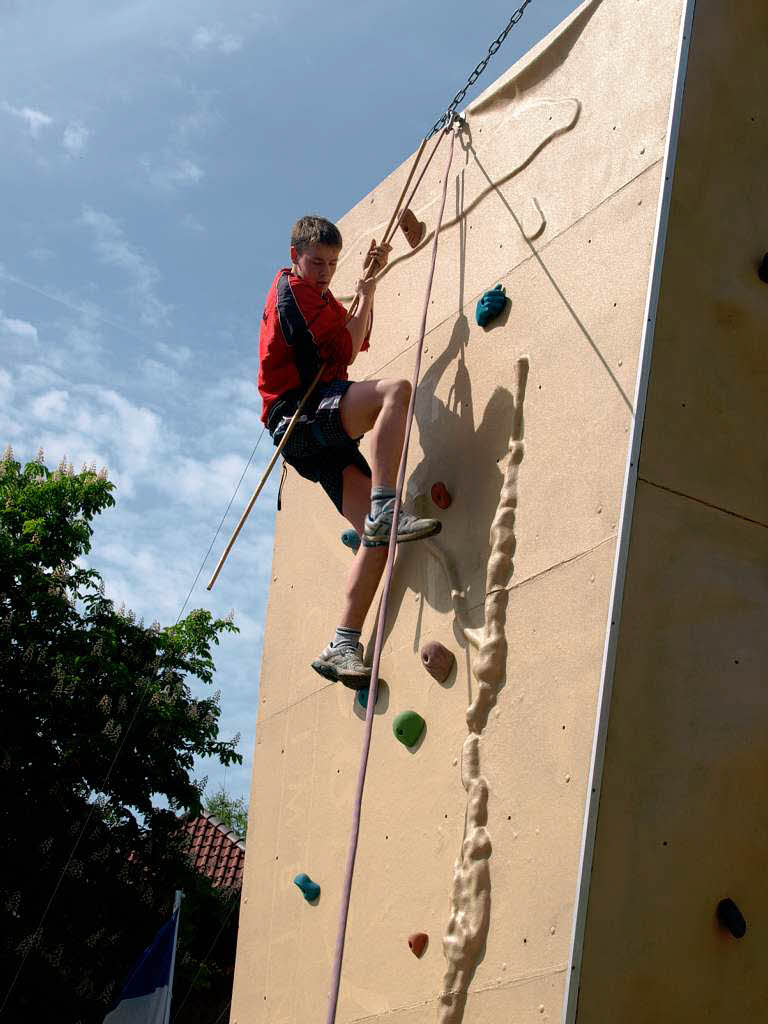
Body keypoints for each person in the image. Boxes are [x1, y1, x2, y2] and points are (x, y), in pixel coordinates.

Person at [258, 215, 442, 687]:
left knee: (376, 540)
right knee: (394, 392)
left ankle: (343, 643)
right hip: (299, 414)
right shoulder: (292, 294)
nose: (324, 272)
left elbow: (351, 346)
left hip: (318, 430)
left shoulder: (318, 297)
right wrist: (355, 299)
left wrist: (369, 289)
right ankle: (385, 506)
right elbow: (337, 347)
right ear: (294, 255)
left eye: (332, 265)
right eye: (316, 262)